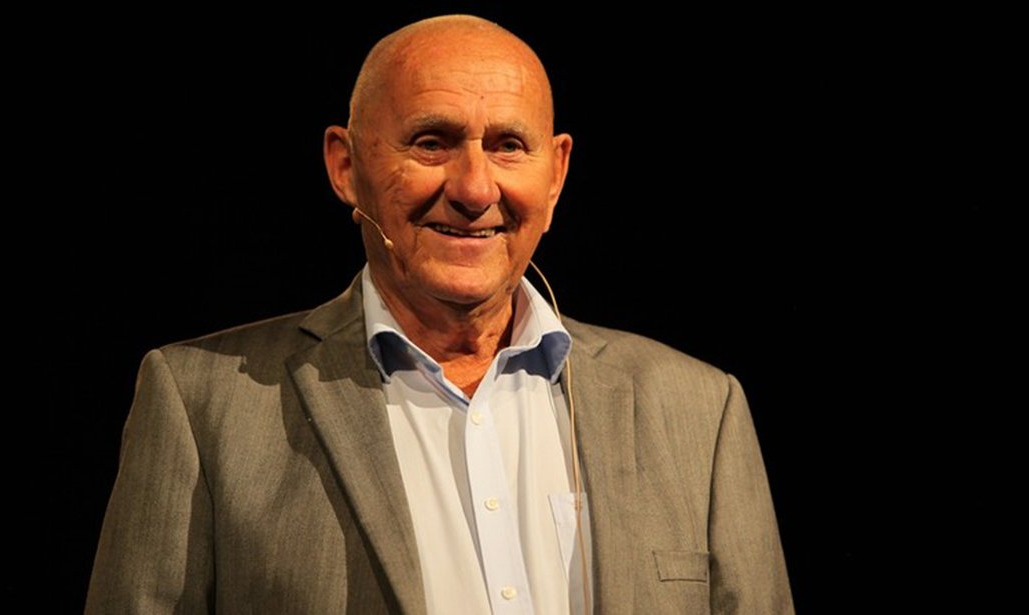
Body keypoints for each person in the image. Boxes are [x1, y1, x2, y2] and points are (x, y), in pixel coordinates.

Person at [86, 14, 793, 615]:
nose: (475, 188)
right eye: (431, 142)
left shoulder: (700, 410)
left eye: (508, 146)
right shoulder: (202, 406)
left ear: (555, 174)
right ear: (345, 166)